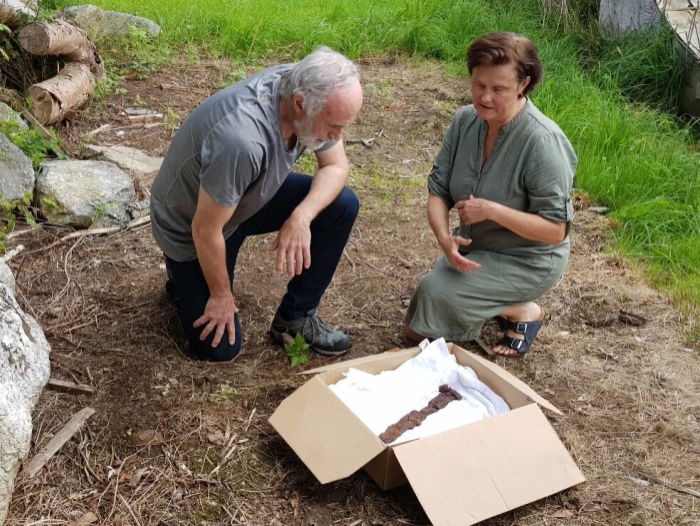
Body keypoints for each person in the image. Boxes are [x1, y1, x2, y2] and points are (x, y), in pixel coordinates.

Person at [150, 47, 363, 362]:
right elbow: (204, 228)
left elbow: (335, 167)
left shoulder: (314, 87)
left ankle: (296, 317)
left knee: (341, 204)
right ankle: (182, 281)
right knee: (220, 349)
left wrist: (301, 217)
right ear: (300, 103)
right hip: (193, 225)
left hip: (243, 197)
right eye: (333, 126)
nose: (337, 136)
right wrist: (222, 297)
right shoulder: (241, 140)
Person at [404, 32, 577, 357]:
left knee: (424, 315)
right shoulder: (464, 121)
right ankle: (496, 303)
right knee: (424, 310)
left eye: (498, 89)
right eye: (479, 86)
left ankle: (521, 309)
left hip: (528, 260)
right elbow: (438, 191)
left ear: (523, 84)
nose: (484, 97)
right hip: (477, 249)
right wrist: (444, 237)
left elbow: (555, 231)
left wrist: (493, 211)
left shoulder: (543, 142)